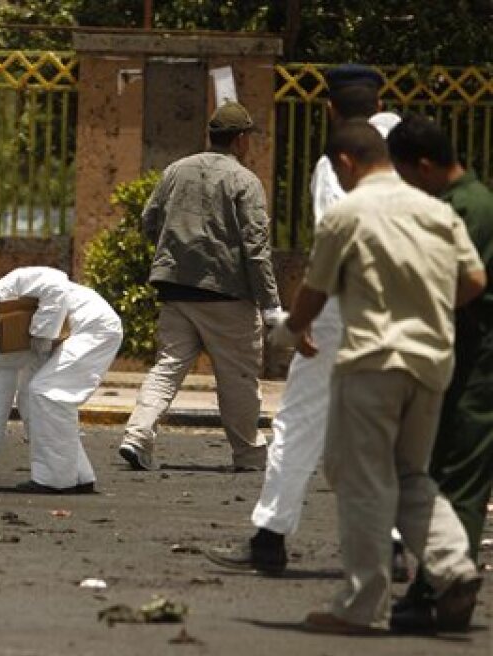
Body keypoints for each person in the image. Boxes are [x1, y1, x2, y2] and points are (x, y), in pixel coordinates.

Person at [270, 119, 484, 635]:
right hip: (432, 362)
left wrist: (287, 332)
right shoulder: (437, 210)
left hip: (372, 362)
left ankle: (362, 606)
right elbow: (474, 279)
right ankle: (455, 566)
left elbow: (315, 292)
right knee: (410, 473)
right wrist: (428, 313)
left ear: (345, 163)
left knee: (361, 478)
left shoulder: (347, 213)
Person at [206, 64, 405, 575]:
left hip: (342, 309)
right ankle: (398, 543)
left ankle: (270, 536)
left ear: (330, 108)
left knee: (299, 420)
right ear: (380, 103)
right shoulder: (410, 145)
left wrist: (305, 314)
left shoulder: (336, 158)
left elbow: (333, 243)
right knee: (389, 425)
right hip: (406, 307)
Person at [119, 101, 282, 472]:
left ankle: (137, 435)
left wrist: (176, 253)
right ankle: (249, 454)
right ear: (241, 140)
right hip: (227, 294)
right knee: (238, 377)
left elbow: (149, 220)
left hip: (176, 289)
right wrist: (270, 303)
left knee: (168, 367)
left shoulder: (176, 170)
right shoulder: (245, 181)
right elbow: (256, 248)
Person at [385, 114, 493, 633]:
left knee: (458, 475)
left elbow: (458, 282)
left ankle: (442, 589)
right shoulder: (469, 203)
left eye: (406, 175)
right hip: (466, 355)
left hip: (477, 360)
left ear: (424, 167)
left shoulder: (464, 209)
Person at [0, 266, 122, 493]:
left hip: (92, 325)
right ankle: (78, 475)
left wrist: (42, 333)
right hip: (60, 344)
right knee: (29, 399)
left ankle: (55, 480)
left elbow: (55, 282)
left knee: (47, 393)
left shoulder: (2, 294)